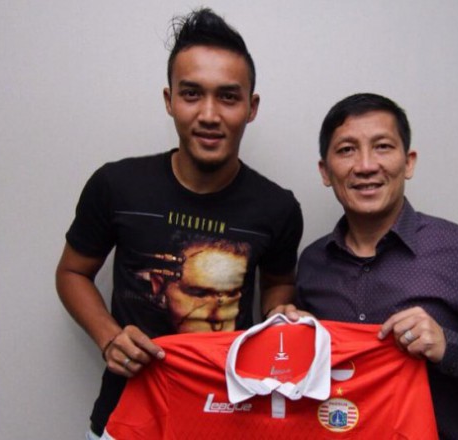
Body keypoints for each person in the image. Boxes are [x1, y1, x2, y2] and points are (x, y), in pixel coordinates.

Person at [55, 8, 303, 439]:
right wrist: (109, 337)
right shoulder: (116, 185)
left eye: (228, 97)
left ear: (251, 107)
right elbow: (72, 273)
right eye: (192, 94)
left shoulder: (278, 207)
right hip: (126, 416)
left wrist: (277, 315)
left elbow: (278, 283)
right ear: (169, 100)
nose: (209, 114)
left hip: (231, 418)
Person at [269, 93, 458, 439]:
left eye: (383, 147)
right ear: (325, 172)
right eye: (347, 150)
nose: (366, 165)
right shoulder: (313, 262)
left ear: (409, 162)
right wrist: (290, 338)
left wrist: (448, 347)